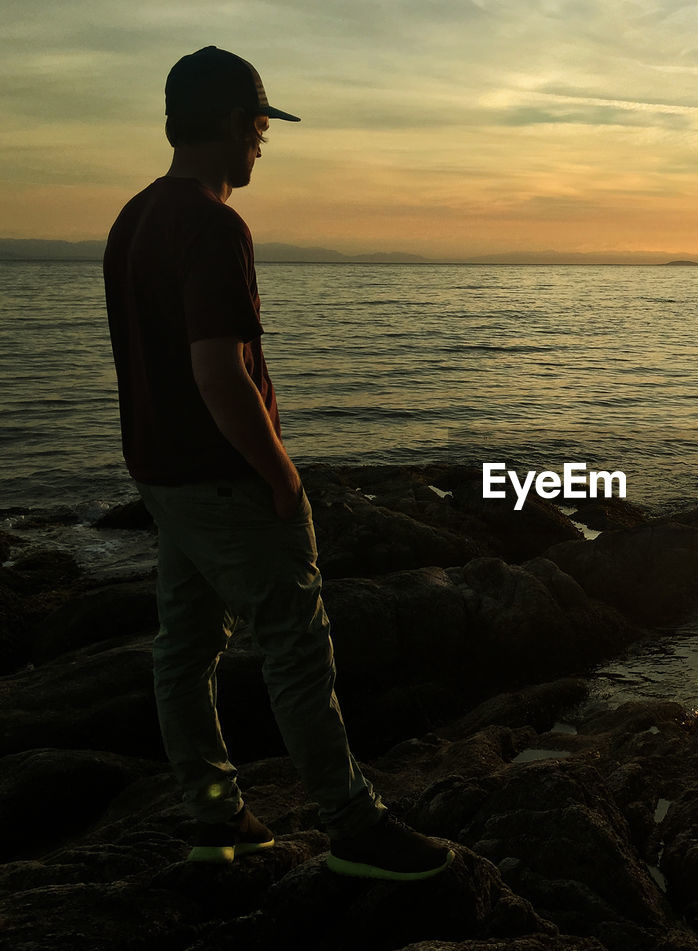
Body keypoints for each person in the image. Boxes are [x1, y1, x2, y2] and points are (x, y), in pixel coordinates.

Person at [102, 46, 453, 881]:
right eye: (261, 126)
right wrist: (283, 476)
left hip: (162, 476)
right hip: (223, 478)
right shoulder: (213, 224)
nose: (264, 144)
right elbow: (219, 371)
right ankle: (353, 824)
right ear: (232, 124)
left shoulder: (132, 219)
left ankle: (215, 817)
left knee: (183, 649)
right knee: (297, 645)